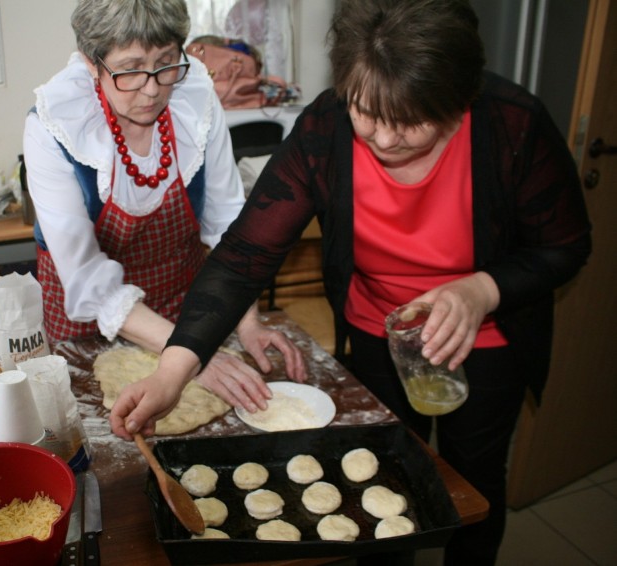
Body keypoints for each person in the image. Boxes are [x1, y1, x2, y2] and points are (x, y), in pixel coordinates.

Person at [109, 1, 592, 564]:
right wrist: (174, 370)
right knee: (380, 480)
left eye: (411, 120)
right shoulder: (325, 126)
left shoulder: (512, 123)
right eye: (367, 112)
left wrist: (480, 289)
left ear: (461, 102)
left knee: (474, 483)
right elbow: (243, 256)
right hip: (375, 329)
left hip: (484, 339)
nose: (385, 138)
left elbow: (566, 246)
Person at [23, 0, 305, 409]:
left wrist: (246, 323)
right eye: (132, 69)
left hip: (183, 310)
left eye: (166, 62)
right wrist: (190, 356)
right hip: (86, 327)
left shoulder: (196, 103)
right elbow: (87, 279)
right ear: (91, 63)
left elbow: (231, 227)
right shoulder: (56, 127)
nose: (153, 89)